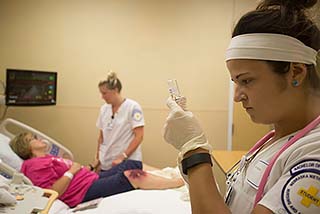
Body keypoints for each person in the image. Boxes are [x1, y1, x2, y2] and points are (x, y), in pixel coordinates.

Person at [164, 0, 320, 213]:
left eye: (246, 81)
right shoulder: (275, 141)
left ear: (296, 72)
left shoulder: (314, 153)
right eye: (235, 83)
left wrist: (194, 151)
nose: (237, 97)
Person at [9, 132, 184, 208]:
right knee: (130, 176)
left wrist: (90, 166)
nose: (39, 139)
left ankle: (168, 175)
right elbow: (53, 191)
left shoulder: (45, 159)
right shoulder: (33, 166)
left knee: (129, 164)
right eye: (34, 138)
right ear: (27, 148)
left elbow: (70, 172)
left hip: (90, 179)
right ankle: (177, 183)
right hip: (81, 193)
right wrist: (73, 171)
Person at [95, 71, 145, 171]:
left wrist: (123, 156)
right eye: (101, 93)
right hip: (106, 162)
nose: (102, 97)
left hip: (126, 162)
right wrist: (97, 158)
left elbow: (139, 136)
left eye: (105, 93)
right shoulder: (104, 109)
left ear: (115, 90)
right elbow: (101, 137)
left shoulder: (132, 107)